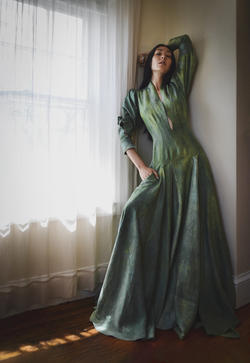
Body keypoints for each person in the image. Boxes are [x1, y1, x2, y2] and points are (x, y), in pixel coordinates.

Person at [89, 34, 240, 340]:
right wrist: (142, 167)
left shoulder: (177, 86)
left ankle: (188, 303)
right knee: (133, 211)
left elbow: (185, 43)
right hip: (162, 168)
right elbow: (124, 133)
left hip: (194, 163)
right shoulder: (137, 97)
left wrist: (164, 47)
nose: (164, 57)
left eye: (167, 56)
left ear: (172, 65)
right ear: (150, 62)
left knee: (193, 236)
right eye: (159, 54)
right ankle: (126, 303)